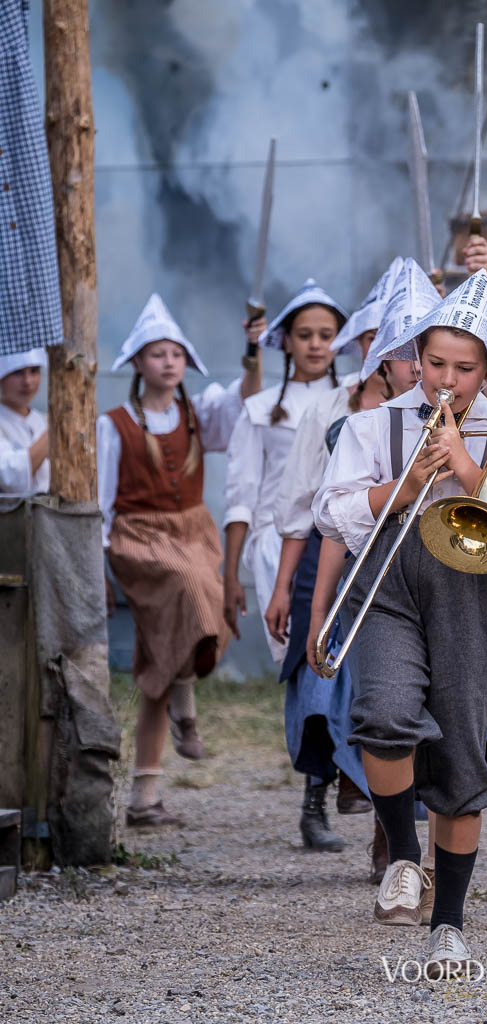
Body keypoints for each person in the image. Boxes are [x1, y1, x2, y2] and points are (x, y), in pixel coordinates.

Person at [312, 269, 487, 978]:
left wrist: (467, 466)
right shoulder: (367, 423)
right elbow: (334, 512)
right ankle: (403, 858)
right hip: (388, 583)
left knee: (460, 757)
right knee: (380, 714)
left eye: (464, 368)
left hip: (472, 588)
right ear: (415, 356)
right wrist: (409, 481)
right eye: (433, 363)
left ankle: (449, 923)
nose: (446, 379)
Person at [266, 259, 438, 856]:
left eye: (422, 347)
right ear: (372, 349)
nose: (411, 360)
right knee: (321, 691)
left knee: (401, 697)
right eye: (393, 345)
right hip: (334, 559)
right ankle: (320, 797)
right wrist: (289, 589)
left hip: (416, 568)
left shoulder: (440, 411)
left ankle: (388, 835)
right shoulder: (334, 411)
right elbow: (304, 511)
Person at [97, 293, 262, 827]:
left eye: (174, 353)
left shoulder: (199, 413)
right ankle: (185, 708)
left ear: (185, 362)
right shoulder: (115, 424)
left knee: (162, 656)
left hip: (191, 530)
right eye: (155, 354)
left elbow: (247, 405)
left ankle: (144, 798)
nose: (167, 362)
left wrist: (252, 353)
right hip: (139, 540)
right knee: (194, 586)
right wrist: (98, 566)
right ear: (138, 363)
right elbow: (100, 502)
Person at [222, 278, 348, 665]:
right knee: (302, 654)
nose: (315, 344)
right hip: (279, 545)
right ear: (287, 341)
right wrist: (229, 577)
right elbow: (242, 496)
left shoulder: (358, 399)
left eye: (326, 335)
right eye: (305, 335)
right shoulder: (259, 409)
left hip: (346, 539)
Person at [0, 348, 49, 512]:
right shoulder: (51, 427)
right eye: (17, 373)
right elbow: (10, 478)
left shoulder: (40, 421)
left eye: (34, 371)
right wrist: (52, 434)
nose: (27, 381)